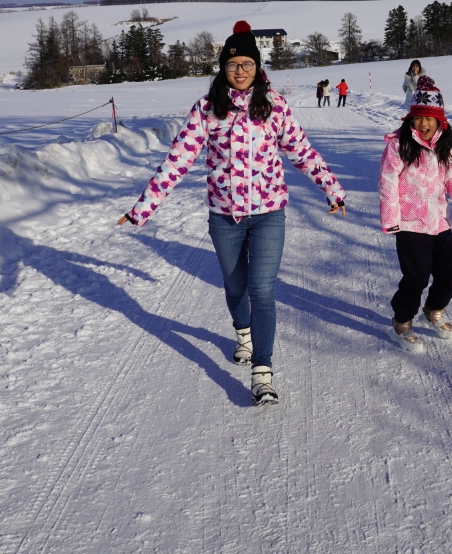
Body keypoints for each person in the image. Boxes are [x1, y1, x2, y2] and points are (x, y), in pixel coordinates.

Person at [118, 21, 347, 405]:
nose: (240, 71)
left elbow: (303, 152)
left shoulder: (273, 106)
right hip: (224, 215)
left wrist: (331, 189)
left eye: (247, 63)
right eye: (232, 64)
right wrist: (144, 207)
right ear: (222, 69)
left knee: (262, 289)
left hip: (269, 211)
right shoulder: (208, 109)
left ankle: (263, 372)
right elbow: (177, 161)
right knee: (235, 285)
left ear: (258, 67)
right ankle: (243, 332)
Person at [379, 75, 452, 353]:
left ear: (439, 119)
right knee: (417, 276)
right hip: (410, 224)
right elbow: (388, 182)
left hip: (439, 222)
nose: (423, 123)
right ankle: (402, 322)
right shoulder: (400, 144)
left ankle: (434, 310)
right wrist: (391, 219)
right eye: (418, 117)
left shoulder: (447, 146)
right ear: (411, 118)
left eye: (429, 118)